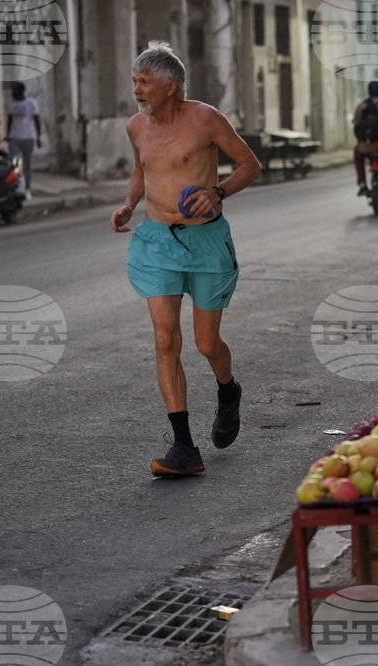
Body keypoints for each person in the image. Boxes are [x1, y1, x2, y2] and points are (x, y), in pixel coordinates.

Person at [110, 41, 261, 477]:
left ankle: (228, 390)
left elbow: (250, 166)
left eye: (144, 82)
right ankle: (183, 446)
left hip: (207, 242)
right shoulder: (137, 127)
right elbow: (143, 168)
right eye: (135, 81)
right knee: (165, 339)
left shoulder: (206, 120)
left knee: (207, 344)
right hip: (157, 241)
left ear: (170, 85)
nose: (137, 90)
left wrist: (217, 192)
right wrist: (128, 204)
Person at [6, 82, 41, 199]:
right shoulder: (10, 103)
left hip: (28, 137)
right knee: (16, 161)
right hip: (15, 137)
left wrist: (39, 136)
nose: (12, 93)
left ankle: (27, 189)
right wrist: (8, 134)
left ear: (21, 91)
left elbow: (36, 120)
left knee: (27, 164)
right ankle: (19, 185)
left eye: (14, 91)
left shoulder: (31, 103)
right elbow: (9, 119)